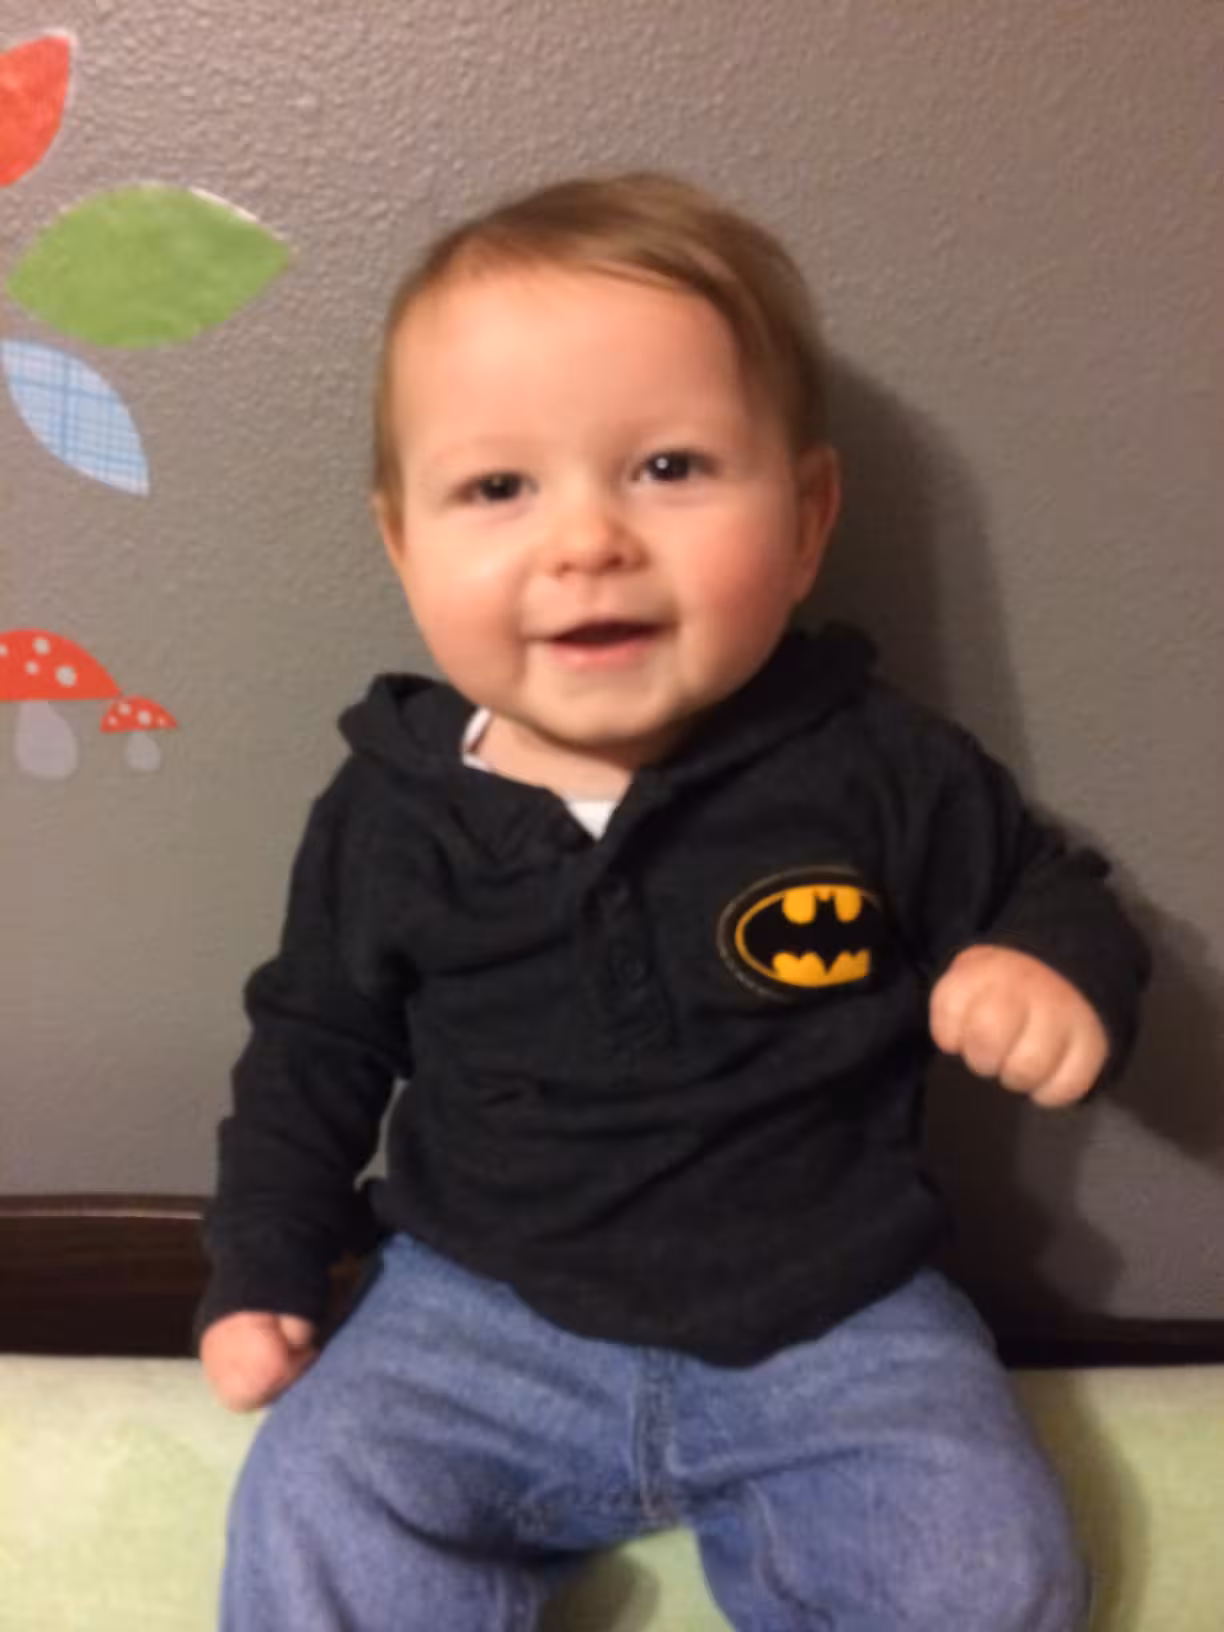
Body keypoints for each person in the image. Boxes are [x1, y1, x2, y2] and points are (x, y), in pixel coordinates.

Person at [198, 172, 1148, 1632]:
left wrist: (1047, 966)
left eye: (668, 467)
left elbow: (1049, 889)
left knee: (989, 1568)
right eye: (499, 488)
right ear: (402, 545)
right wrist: (263, 1258)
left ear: (809, 518)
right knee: (318, 1501)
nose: (587, 539)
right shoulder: (390, 807)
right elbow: (313, 1045)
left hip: (840, 1320)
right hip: (474, 1310)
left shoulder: (873, 762)